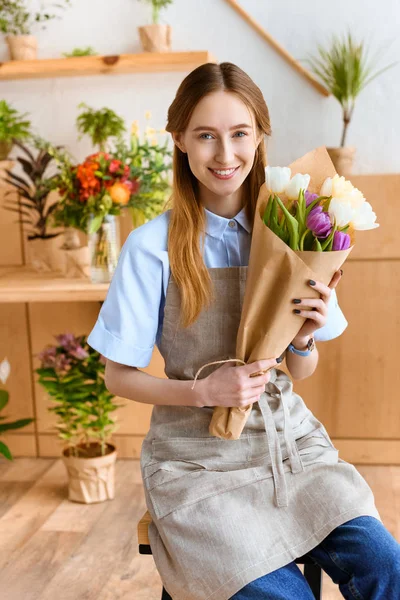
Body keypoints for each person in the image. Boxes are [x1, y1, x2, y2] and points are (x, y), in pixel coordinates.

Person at [87, 62, 400, 600]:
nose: (225, 154)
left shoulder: (293, 229)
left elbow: (300, 368)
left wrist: (303, 337)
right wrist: (203, 392)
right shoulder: (150, 247)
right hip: (194, 462)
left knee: (387, 567)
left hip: (291, 451)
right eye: (206, 136)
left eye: (239, 134)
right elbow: (118, 376)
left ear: (259, 137)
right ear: (180, 139)